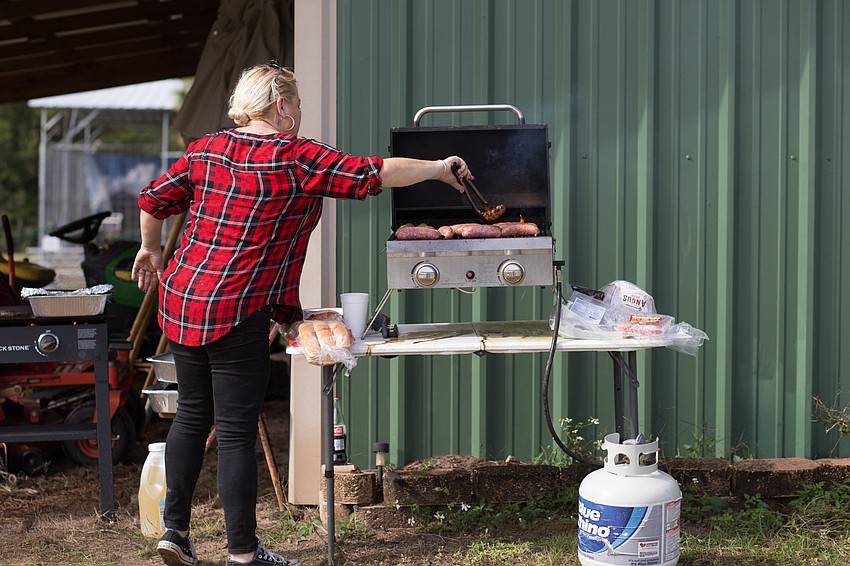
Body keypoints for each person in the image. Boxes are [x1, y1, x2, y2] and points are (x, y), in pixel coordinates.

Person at [132, 62, 473, 566]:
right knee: (233, 430)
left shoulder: (206, 150)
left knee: (190, 417)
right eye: (297, 105)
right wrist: (438, 168)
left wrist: (150, 251)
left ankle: (175, 533)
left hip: (183, 300)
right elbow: (376, 172)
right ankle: (243, 554)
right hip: (235, 309)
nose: (298, 113)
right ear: (282, 105)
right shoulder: (298, 157)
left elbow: (153, 199)